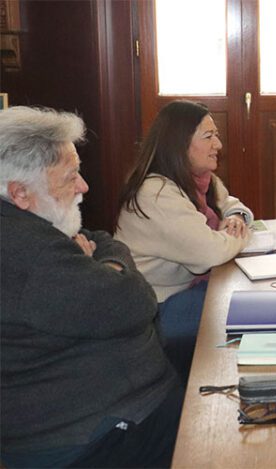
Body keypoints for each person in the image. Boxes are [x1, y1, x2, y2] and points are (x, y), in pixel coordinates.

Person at [0, 106, 181, 467]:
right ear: (20, 193)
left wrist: (104, 263)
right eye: (70, 177)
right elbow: (136, 303)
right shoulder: (28, 255)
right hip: (94, 437)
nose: (84, 186)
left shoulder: (28, 223)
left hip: (109, 415)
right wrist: (109, 268)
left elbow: (102, 239)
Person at [115, 100, 252, 382]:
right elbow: (211, 253)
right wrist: (239, 234)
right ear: (179, 143)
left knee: (248, 301)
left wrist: (236, 217)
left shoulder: (199, 179)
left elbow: (232, 204)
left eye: (217, 135)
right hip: (157, 308)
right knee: (245, 314)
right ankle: (212, 392)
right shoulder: (155, 192)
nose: (218, 144)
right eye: (209, 136)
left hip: (186, 289)